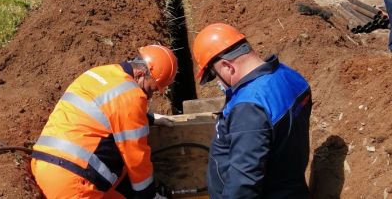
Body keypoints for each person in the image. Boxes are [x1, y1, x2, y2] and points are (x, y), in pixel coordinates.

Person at [31, 45, 178, 199]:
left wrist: (149, 118)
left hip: (44, 168)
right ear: (141, 74)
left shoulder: (100, 74)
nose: (149, 96)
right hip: (74, 184)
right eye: (151, 89)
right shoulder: (131, 95)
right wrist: (149, 196)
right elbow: (136, 158)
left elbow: (107, 112)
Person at [192, 23, 312, 198]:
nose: (217, 82)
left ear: (227, 67)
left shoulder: (249, 108)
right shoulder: (291, 76)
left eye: (213, 75)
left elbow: (243, 184)